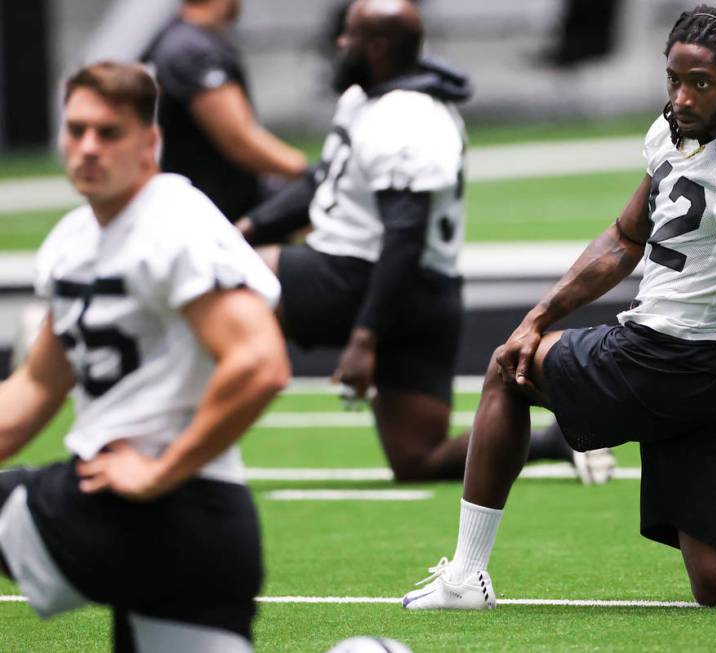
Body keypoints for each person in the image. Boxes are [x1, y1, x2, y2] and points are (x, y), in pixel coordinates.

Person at [402, 5, 716, 615]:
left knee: (505, 372)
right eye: (674, 79)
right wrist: (538, 315)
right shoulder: (673, 133)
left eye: (701, 83)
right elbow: (622, 239)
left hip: (661, 357)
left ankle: (466, 575)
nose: (682, 97)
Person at [236, 0, 613, 484]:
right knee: (419, 458)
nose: (339, 44)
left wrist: (363, 338)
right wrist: (243, 231)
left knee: (228, 279)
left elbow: (404, 234)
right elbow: (320, 184)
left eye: (348, 35)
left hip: (368, 278)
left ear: (376, 46)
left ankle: (178, 438)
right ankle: (550, 441)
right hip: (427, 293)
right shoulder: (371, 97)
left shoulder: (406, 118)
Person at [0, 62, 289, 651]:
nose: (87, 148)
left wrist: (162, 469)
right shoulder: (71, 242)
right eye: (76, 130)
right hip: (189, 532)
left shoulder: (175, 223)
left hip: (154, 507)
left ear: (149, 141)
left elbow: (261, 363)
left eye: (108, 133)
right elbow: (35, 387)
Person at [143, 0, 307, 221]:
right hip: (211, 212)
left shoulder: (177, 36)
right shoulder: (191, 48)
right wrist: (308, 172)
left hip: (209, 200)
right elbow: (239, 141)